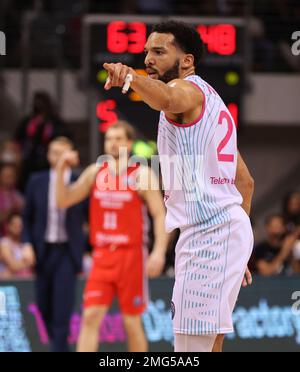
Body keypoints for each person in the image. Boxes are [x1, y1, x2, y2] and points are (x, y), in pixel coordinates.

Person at [103, 20, 254, 352]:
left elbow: (168, 98)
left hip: (211, 233)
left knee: (189, 351)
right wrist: (237, 252)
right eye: (146, 53)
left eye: (159, 52)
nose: (148, 60)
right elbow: (245, 182)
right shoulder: (211, 104)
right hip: (225, 231)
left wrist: (129, 76)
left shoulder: (188, 91)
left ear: (187, 60)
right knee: (209, 344)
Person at [55, 121, 170, 352]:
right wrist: (60, 170)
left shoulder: (142, 174)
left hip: (131, 256)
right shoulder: (95, 172)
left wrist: (158, 252)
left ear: (129, 143)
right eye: (109, 138)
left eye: (118, 138)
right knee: (90, 317)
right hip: (102, 255)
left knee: (131, 321)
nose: (113, 143)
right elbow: (63, 200)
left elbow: (160, 215)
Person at [22, 137, 87, 352]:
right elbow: (27, 217)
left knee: (62, 311)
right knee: (43, 307)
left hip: (67, 252)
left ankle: (58, 347)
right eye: (54, 152)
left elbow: (89, 217)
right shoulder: (36, 181)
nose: (58, 157)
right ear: (48, 155)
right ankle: (59, 346)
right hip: (43, 251)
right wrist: (27, 244)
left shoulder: (80, 181)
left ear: (72, 154)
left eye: (63, 152)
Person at [14, 91, 70, 190]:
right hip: (29, 160)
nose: (39, 105)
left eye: (42, 102)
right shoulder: (28, 121)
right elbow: (17, 138)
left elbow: (64, 138)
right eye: (37, 101)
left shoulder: (55, 122)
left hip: (48, 161)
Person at [0, 212, 35, 279]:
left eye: (20, 226)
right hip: (9, 283)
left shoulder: (26, 244)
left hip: (27, 281)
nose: (18, 228)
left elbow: (34, 263)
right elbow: (13, 265)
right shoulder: (3, 243)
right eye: (15, 225)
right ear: (8, 226)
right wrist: (28, 262)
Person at [0, 163, 24, 237]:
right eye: (6, 176)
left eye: (11, 176)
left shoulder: (18, 195)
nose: (9, 178)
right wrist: (11, 209)